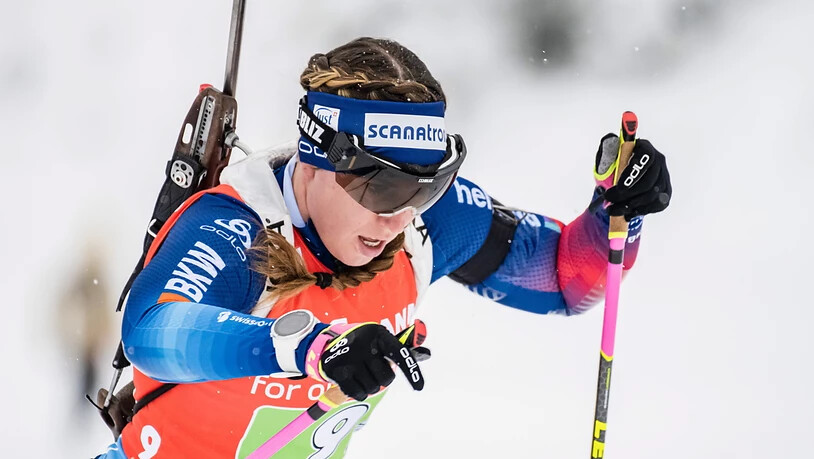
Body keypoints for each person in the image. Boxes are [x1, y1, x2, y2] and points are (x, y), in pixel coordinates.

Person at [95, 37, 672, 459]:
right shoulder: (236, 229)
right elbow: (152, 333)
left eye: (427, 186)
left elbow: (564, 280)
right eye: (385, 186)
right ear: (320, 157)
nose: (398, 216)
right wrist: (309, 351)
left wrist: (618, 215)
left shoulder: (422, 223)